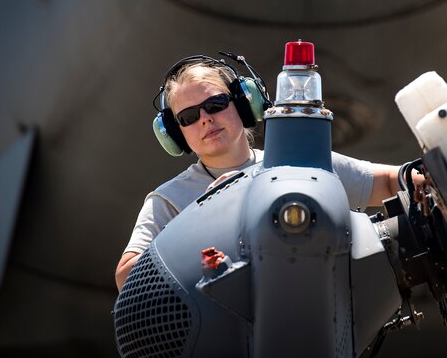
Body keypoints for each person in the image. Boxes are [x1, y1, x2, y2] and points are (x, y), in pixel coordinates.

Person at [115, 55, 408, 291]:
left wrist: (435, 169)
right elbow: (126, 277)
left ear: (243, 104)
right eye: (189, 117)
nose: (205, 119)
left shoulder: (299, 166)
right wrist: (200, 224)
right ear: (176, 134)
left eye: (215, 105)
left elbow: (388, 182)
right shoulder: (169, 200)